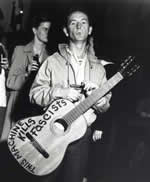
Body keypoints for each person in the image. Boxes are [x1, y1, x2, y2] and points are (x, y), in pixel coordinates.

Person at [29, 8, 111, 182]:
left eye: (83, 22)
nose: (79, 26)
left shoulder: (99, 69)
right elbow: (34, 94)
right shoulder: (52, 61)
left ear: (90, 29)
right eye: (73, 22)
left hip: (81, 136)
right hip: (51, 131)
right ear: (66, 31)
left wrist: (101, 101)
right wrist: (59, 92)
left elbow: (105, 106)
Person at [1, 13, 51, 141]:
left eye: (49, 29)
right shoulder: (20, 50)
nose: (48, 32)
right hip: (17, 106)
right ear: (35, 30)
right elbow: (10, 82)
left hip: (34, 110)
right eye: (45, 29)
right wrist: (26, 74)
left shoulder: (50, 59)